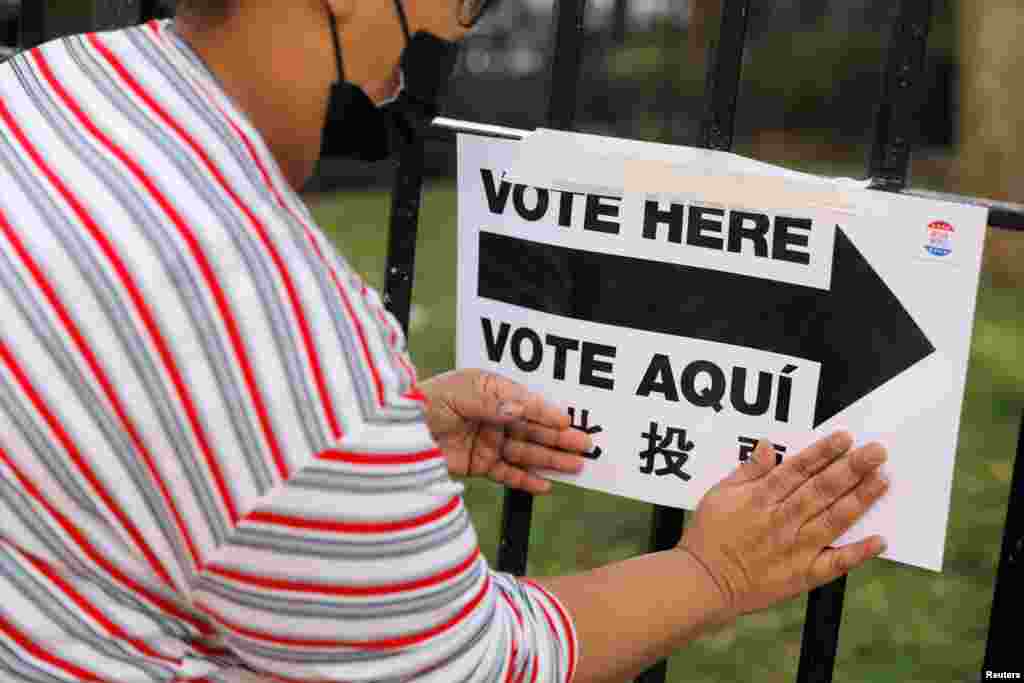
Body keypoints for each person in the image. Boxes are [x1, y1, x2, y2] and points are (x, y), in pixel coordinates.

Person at [0, 1, 889, 681]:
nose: (443, 41)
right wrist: (717, 569)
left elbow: (108, 399)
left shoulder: (51, 85)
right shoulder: (265, 305)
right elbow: (472, 664)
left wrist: (387, 433)